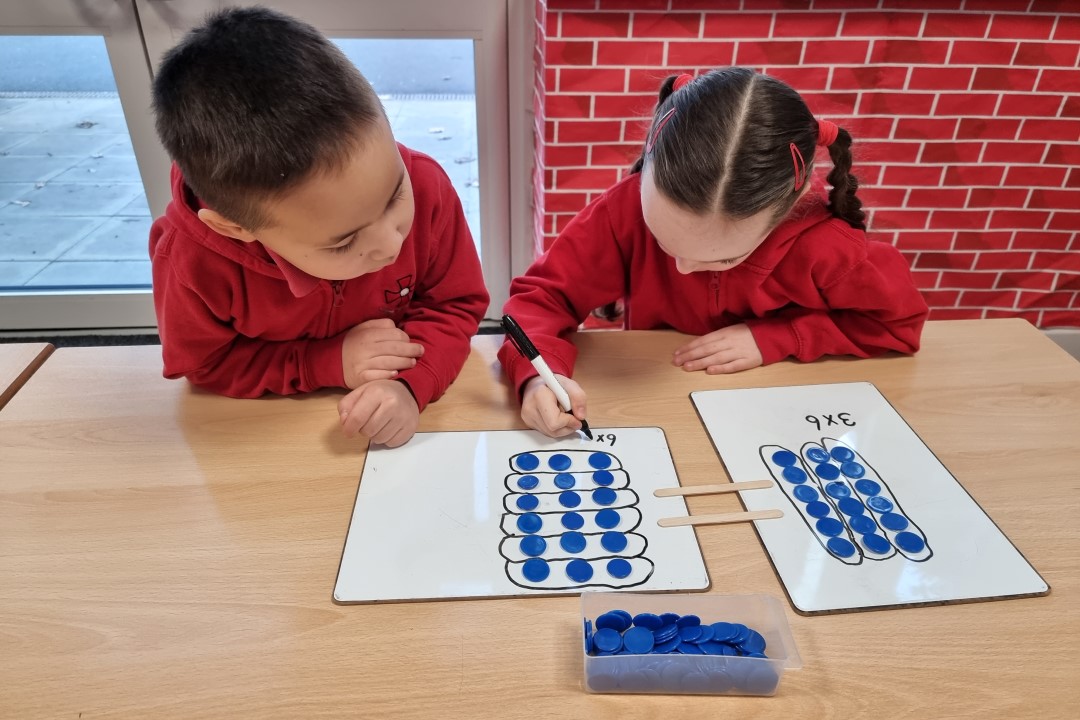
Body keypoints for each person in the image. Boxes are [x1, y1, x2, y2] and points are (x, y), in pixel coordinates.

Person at [500, 67, 928, 438]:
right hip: (659, 407)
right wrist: (540, 378)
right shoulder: (622, 209)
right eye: (664, 241)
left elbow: (898, 327)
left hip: (773, 417)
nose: (683, 269)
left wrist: (783, 337)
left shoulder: (827, 247)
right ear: (649, 165)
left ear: (786, 209)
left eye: (724, 258)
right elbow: (542, 299)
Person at [149, 7, 488, 447]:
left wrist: (409, 384)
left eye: (393, 196)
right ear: (234, 229)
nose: (390, 245)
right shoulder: (191, 260)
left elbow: (455, 304)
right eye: (344, 242)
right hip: (267, 438)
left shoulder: (426, 185)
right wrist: (324, 363)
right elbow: (206, 364)